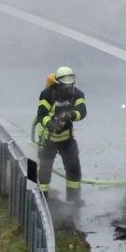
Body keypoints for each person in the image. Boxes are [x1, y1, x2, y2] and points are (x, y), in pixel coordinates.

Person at [34, 65, 88, 203]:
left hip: (67, 140)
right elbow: (41, 115)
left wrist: (71, 115)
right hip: (48, 139)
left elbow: (82, 111)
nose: (68, 89)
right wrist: (51, 124)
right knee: (44, 171)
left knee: (74, 169)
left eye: (70, 85)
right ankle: (42, 202)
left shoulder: (77, 94)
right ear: (57, 83)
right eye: (65, 86)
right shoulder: (47, 94)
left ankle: (73, 200)